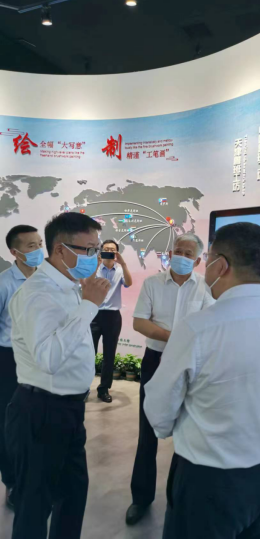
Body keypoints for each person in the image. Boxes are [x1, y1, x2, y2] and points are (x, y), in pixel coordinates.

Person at [144, 222, 260, 540]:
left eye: (207, 259)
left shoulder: (197, 328)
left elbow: (159, 411)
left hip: (209, 481)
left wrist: (169, 429)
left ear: (221, 265)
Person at [6, 213, 110, 540]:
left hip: (68, 410)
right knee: (35, 505)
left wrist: (86, 301)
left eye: (96, 250)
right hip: (41, 411)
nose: (94, 257)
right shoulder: (38, 293)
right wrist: (89, 306)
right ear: (61, 250)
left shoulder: (70, 287)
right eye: (88, 250)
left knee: (73, 495)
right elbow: (49, 358)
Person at [126, 234, 214, 526]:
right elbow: (140, 322)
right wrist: (176, 337)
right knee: (147, 428)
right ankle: (141, 497)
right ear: (170, 252)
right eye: (178, 250)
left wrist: (181, 341)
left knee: (189, 429)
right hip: (156, 361)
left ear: (197, 260)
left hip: (193, 364)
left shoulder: (205, 287)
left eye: (188, 253)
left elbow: (211, 325)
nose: (182, 256)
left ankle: (181, 499)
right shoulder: (153, 283)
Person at [0, 226, 44, 508]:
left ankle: (34, 479)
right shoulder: (4, 283)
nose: (38, 250)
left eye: (40, 243)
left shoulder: (46, 279)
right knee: (8, 423)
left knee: (37, 421)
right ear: (14, 252)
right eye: (31, 246)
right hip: (8, 359)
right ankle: (13, 481)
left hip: (40, 358)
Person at [92, 239, 133, 403]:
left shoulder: (120, 270)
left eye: (112, 250)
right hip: (94, 315)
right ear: (101, 250)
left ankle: (103, 389)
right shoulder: (95, 268)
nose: (109, 251)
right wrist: (96, 264)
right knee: (88, 353)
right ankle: (83, 388)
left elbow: (129, 283)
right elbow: (86, 283)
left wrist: (123, 264)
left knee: (109, 355)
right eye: (106, 249)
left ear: (117, 252)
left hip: (113, 317)